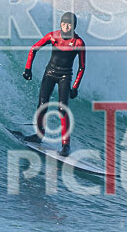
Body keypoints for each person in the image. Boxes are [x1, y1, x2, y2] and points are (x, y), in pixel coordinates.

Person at [22, 12, 85, 156]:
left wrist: (75, 87)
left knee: (63, 109)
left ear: (74, 26)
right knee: (42, 104)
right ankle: (39, 135)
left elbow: (82, 67)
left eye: (69, 24)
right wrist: (27, 68)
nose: (65, 26)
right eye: (63, 23)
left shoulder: (78, 43)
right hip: (50, 73)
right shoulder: (53, 36)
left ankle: (65, 145)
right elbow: (34, 48)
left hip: (65, 76)